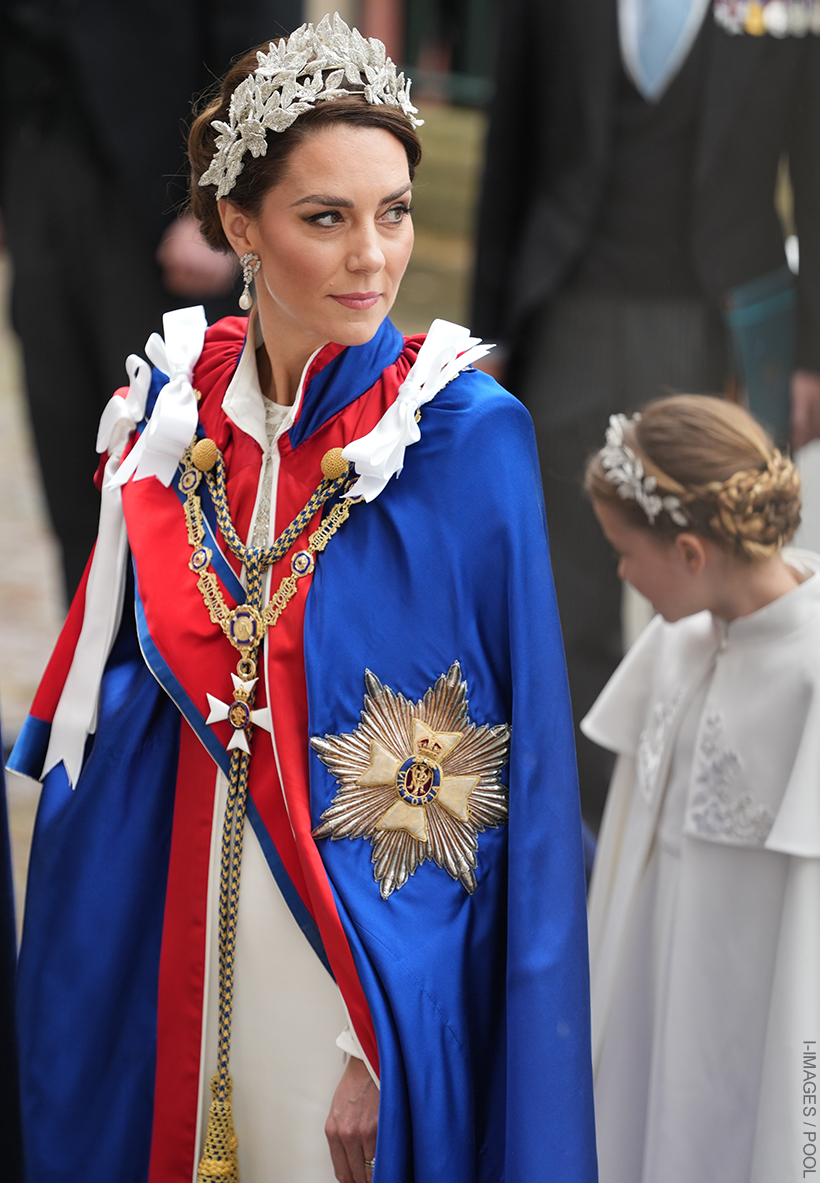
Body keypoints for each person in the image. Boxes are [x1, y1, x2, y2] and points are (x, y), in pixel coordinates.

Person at [8, 17, 597, 1183]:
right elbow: (104, 723)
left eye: (394, 212)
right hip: (178, 943)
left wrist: (374, 1041)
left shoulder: (464, 441)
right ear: (240, 226)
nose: (373, 256)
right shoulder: (176, 418)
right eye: (325, 218)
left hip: (348, 977)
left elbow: (486, 777)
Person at [471, 0, 820, 831]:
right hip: (571, 313)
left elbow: (815, 164)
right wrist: (489, 332)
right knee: (570, 585)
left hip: (723, 332)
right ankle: (584, 825)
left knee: (723, 575)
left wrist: (813, 351)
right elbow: (509, 146)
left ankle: (711, 809)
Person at [582, 394, 820, 1182]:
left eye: (624, 551)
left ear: (689, 552)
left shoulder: (809, 673)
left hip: (751, 1023)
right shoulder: (679, 643)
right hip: (647, 999)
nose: (619, 571)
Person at [0, 0, 302, 603]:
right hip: (36, 162)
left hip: (164, 192)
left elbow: (259, 42)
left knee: (173, 473)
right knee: (72, 454)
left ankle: (187, 683)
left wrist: (223, 202)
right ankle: (88, 678)